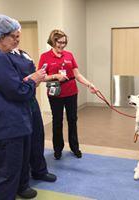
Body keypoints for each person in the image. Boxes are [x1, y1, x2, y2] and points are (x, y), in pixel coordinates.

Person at [0, 14, 46, 200]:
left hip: (13, 124)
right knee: (8, 176)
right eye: (13, 36)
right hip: (7, 127)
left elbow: (11, 85)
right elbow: (18, 91)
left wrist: (25, 82)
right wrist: (34, 80)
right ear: (0, 36)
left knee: (15, 170)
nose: (16, 40)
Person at [38, 29, 97, 160]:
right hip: (55, 93)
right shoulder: (45, 57)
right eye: (59, 42)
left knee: (72, 120)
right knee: (57, 121)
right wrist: (55, 76)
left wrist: (89, 84)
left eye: (64, 42)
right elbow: (41, 77)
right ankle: (57, 149)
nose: (62, 45)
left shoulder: (69, 55)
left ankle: (74, 147)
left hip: (71, 92)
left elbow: (77, 74)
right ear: (53, 41)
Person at [7, 48, 56, 182]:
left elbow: (35, 78)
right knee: (24, 141)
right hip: (19, 103)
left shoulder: (24, 54)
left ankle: (39, 170)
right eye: (13, 36)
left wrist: (37, 78)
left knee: (37, 136)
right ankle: (23, 180)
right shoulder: (2, 57)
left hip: (31, 100)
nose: (16, 39)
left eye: (18, 36)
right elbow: (13, 84)